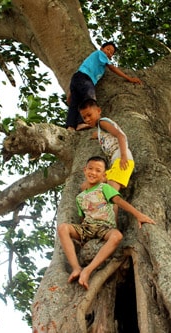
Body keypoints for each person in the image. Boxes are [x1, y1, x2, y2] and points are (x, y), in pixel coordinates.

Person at [57, 156, 155, 290]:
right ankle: (76, 268)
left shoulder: (104, 188)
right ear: (84, 170)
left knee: (117, 236)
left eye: (98, 170)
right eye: (90, 169)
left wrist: (138, 215)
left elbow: (119, 202)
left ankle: (88, 270)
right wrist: (82, 239)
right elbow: (83, 217)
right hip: (87, 228)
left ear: (104, 175)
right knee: (63, 228)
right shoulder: (79, 197)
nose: (93, 172)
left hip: (105, 227)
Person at [66, 41, 142, 131]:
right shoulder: (100, 53)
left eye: (111, 53)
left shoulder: (100, 64)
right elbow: (112, 68)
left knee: (75, 103)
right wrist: (129, 78)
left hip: (77, 78)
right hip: (85, 78)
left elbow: (78, 83)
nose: (108, 52)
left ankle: (70, 126)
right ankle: (82, 122)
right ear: (102, 48)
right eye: (108, 49)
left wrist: (70, 94)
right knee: (89, 99)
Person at [78, 98, 133, 193]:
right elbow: (101, 133)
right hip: (114, 163)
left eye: (89, 115)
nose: (87, 119)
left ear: (98, 111)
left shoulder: (102, 122)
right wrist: (95, 133)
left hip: (122, 159)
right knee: (86, 186)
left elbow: (121, 136)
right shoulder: (100, 128)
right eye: (84, 118)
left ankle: (111, 208)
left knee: (111, 193)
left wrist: (124, 156)